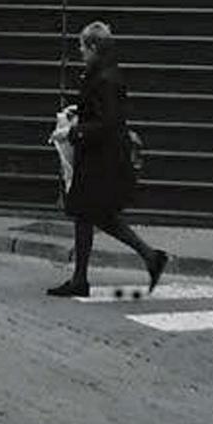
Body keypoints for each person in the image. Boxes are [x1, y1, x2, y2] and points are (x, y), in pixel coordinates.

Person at [48, 20, 168, 299]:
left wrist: (72, 131)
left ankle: (146, 258)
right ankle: (147, 259)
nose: (79, 51)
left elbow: (107, 123)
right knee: (90, 214)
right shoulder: (101, 74)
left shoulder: (105, 78)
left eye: (81, 46)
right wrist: (78, 110)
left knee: (90, 214)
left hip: (102, 160)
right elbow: (101, 112)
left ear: (92, 47)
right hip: (99, 157)